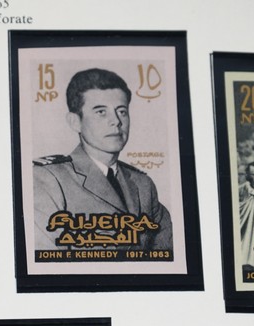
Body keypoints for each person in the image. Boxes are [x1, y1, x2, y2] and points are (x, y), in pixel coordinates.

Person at [33, 68, 171, 251]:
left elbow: (167, 256)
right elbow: (47, 259)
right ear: (75, 122)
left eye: (122, 111)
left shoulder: (143, 185)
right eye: (101, 112)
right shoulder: (48, 180)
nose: (116, 121)